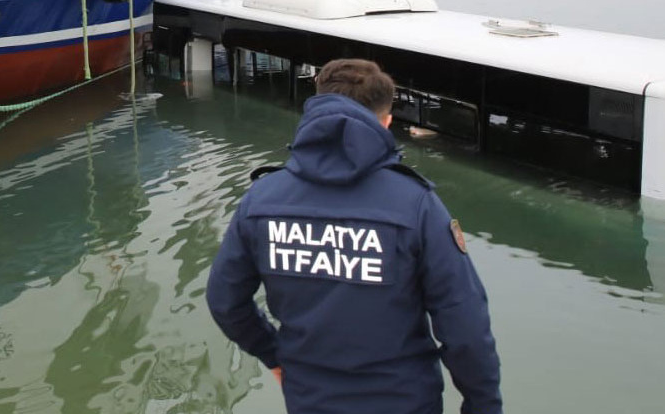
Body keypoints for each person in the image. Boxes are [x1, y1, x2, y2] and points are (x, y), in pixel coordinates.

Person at [206, 58, 501, 414]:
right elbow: (465, 327)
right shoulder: (416, 205)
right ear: (387, 122)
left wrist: (275, 355)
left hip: (309, 399)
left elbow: (225, 300)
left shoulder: (262, 200)